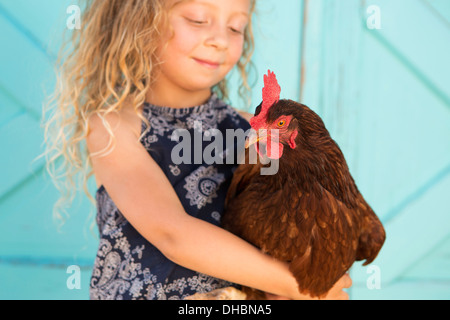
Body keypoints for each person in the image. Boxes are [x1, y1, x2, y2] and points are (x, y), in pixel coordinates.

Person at [43, 0, 352, 300]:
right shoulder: (115, 127)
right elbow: (172, 234)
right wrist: (300, 285)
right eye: (198, 19)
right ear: (139, 22)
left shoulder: (254, 131)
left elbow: (299, 219)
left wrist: (309, 279)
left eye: (236, 27)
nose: (220, 39)